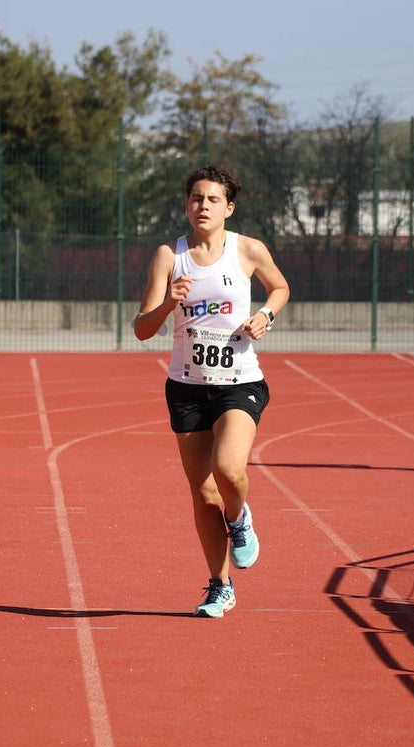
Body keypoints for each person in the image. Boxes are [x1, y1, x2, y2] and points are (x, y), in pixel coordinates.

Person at [134, 165, 290, 617]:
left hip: (239, 383)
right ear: (187, 205)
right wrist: (169, 302)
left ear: (229, 207)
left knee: (227, 468)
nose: (203, 206)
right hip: (185, 387)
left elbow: (280, 287)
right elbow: (143, 329)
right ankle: (219, 586)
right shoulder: (170, 257)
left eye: (213, 199)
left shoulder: (248, 250)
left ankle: (239, 519)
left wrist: (266, 316)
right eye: (196, 198)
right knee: (204, 494)